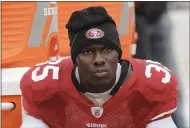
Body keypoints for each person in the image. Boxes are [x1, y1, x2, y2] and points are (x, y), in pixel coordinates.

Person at [20, 6, 178, 128]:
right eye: (87, 51)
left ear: (118, 54)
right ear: (74, 59)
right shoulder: (46, 86)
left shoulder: (151, 84)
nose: (98, 60)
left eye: (107, 50)